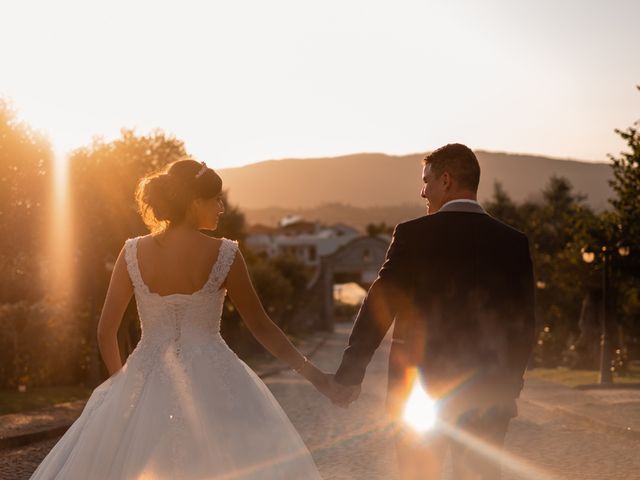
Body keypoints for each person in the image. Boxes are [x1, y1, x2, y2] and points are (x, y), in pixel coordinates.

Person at [31, 158, 338, 479]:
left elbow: (106, 331)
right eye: (216, 199)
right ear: (195, 203)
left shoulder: (132, 252)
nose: (221, 207)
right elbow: (261, 327)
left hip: (145, 371)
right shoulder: (226, 254)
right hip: (218, 378)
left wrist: (122, 385)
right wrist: (318, 377)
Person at [332, 144, 536, 479]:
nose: (422, 191)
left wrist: (350, 374)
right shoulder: (513, 241)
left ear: (446, 180)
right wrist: (510, 385)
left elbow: (381, 304)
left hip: (419, 393)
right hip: (489, 395)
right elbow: (524, 322)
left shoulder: (413, 235)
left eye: (426, 181)